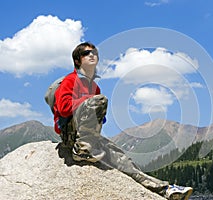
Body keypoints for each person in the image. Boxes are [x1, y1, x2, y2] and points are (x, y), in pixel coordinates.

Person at [53, 42, 193, 199]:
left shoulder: (94, 87)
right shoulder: (70, 80)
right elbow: (63, 107)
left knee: (123, 160)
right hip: (70, 135)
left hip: (88, 136)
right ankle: (82, 151)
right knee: (99, 100)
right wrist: (90, 101)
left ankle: (165, 189)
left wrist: (95, 112)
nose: (92, 55)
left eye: (94, 52)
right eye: (86, 53)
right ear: (78, 61)